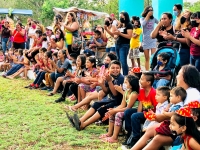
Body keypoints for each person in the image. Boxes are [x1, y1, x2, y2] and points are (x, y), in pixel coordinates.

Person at [68, 60, 124, 131]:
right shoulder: (109, 76)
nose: (115, 70)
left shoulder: (120, 79)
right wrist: (101, 84)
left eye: (117, 68)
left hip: (118, 102)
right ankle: (80, 121)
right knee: (96, 104)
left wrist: (109, 81)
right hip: (111, 99)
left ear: (120, 69)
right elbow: (106, 91)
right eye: (113, 68)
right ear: (109, 69)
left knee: (102, 108)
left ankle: (83, 125)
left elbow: (115, 94)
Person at [99, 75, 139, 143]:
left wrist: (115, 110)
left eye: (126, 82)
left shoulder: (134, 94)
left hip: (132, 111)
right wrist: (112, 110)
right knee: (112, 112)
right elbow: (122, 105)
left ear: (131, 85)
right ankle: (109, 133)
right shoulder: (126, 92)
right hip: (126, 109)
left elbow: (128, 108)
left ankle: (115, 137)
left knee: (118, 114)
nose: (124, 84)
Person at [123, 72, 157, 148]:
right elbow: (140, 104)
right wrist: (138, 113)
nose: (139, 81)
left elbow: (156, 109)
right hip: (144, 113)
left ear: (148, 82)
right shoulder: (141, 90)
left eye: (141, 79)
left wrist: (137, 115)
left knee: (135, 116)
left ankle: (136, 138)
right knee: (128, 112)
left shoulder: (153, 93)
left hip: (152, 115)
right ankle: (129, 134)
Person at [140, 6, 158, 71]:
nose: (151, 12)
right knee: (147, 58)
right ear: (146, 11)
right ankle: (147, 71)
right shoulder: (142, 18)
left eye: (152, 10)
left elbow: (159, 24)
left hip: (153, 39)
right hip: (145, 40)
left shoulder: (154, 19)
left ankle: (153, 70)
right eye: (149, 10)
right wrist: (147, 16)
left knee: (153, 57)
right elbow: (143, 24)